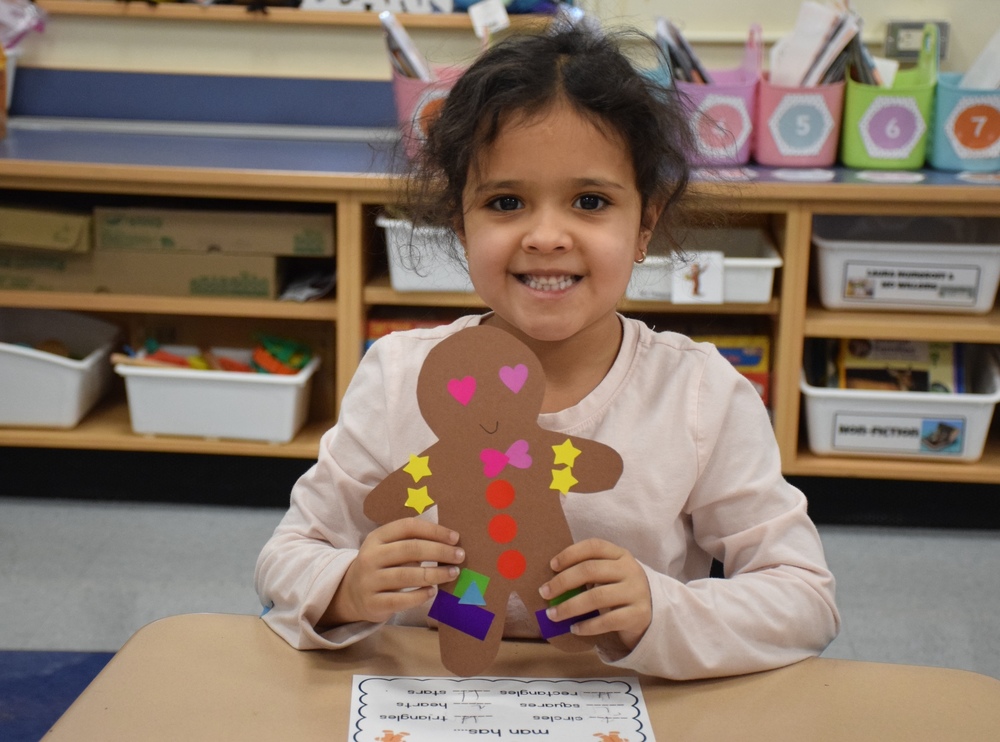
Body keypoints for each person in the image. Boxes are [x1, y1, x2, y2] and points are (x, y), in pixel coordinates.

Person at [255, 25, 839, 681]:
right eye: (505, 202)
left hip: (630, 703)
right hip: (438, 701)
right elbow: (288, 556)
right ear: (460, 222)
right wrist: (348, 585)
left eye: (590, 202)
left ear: (645, 223)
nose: (546, 236)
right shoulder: (399, 378)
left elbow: (805, 600)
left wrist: (660, 609)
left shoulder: (701, 394)